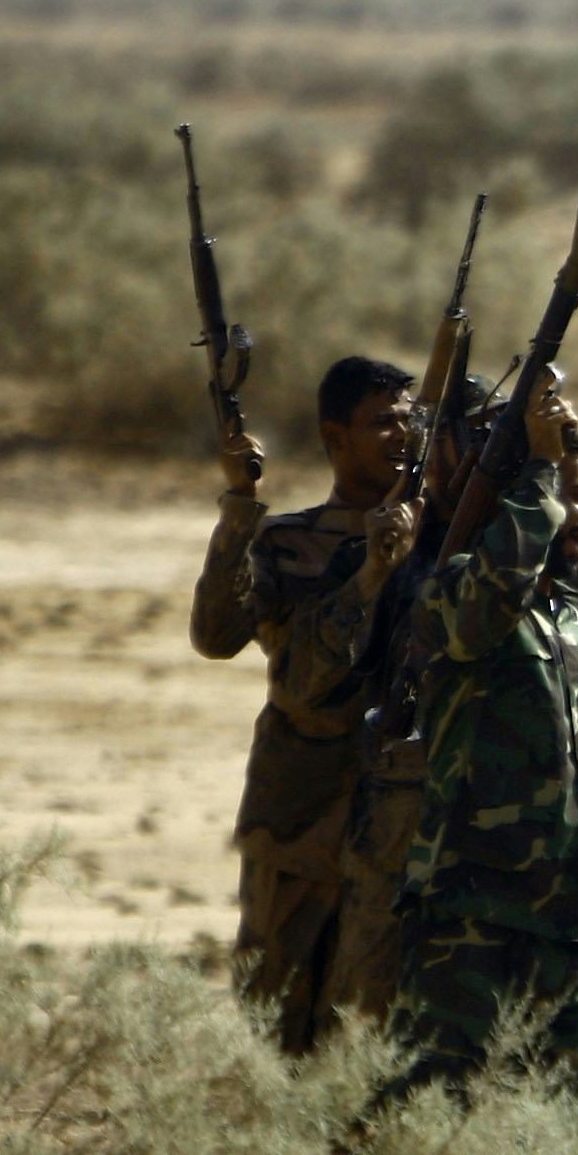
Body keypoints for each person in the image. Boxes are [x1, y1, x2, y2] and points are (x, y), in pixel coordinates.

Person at [382, 384, 578, 1113]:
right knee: (435, 1110)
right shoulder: (451, 589)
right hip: (470, 915)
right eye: (576, 495)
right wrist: (536, 470)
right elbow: (488, 604)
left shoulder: (572, 606)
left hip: (567, 916)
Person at [189, 354, 418, 1053]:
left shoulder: (438, 546)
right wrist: (239, 504)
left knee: (373, 1037)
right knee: (277, 1022)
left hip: (398, 830)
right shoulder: (288, 543)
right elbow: (217, 634)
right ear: (335, 437)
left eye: (410, 420)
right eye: (383, 422)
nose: (403, 435)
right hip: (299, 823)